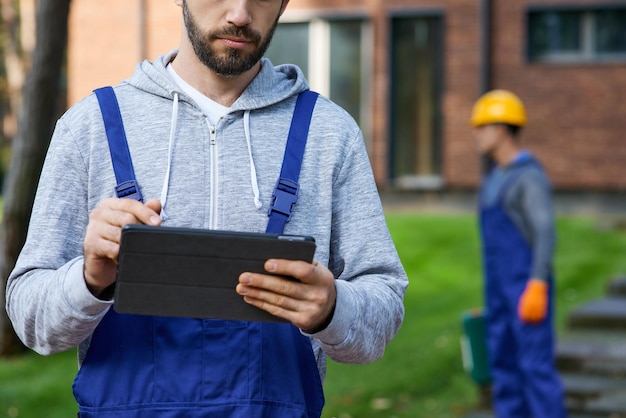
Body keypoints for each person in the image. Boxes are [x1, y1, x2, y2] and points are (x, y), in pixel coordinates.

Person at [5, 0, 408, 416]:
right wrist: (90, 280)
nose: (240, 14)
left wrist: (332, 308)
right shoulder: (90, 127)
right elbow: (33, 320)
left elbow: (383, 308)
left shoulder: (329, 133)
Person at [470, 89, 567, 418]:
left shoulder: (529, 177)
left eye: (480, 128)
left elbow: (545, 233)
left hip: (527, 290)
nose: (476, 136)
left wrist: (538, 283)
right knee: (504, 366)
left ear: (499, 130)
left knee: (534, 369)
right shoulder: (494, 179)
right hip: (499, 291)